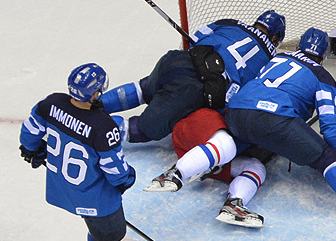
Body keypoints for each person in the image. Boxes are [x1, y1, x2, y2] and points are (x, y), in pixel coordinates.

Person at [223, 28, 336, 232]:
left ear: (299, 45)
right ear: (324, 55)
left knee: (231, 150)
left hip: (236, 113)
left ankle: (200, 172)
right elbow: (330, 126)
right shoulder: (322, 77)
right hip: (277, 121)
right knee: (326, 158)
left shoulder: (277, 58)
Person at [100, 10, 286, 143]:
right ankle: (92, 127)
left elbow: (194, 39)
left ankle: (93, 104)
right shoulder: (272, 60)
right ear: (276, 38)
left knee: (144, 88)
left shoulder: (230, 23)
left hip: (177, 60)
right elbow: (252, 92)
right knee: (142, 129)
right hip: (193, 88)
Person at [19, 63, 136, 241]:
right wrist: (127, 179)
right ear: (95, 93)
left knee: (98, 231)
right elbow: (116, 172)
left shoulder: (52, 103)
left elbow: (29, 133)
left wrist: (33, 151)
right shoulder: (104, 127)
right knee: (108, 240)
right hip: (96, 199)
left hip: (63, 191)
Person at [145, 107, 271, 228]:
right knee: (227, 145)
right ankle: (174, 174)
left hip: (217, 156)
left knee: (256, 167)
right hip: (204, 121)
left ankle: (234, 204)